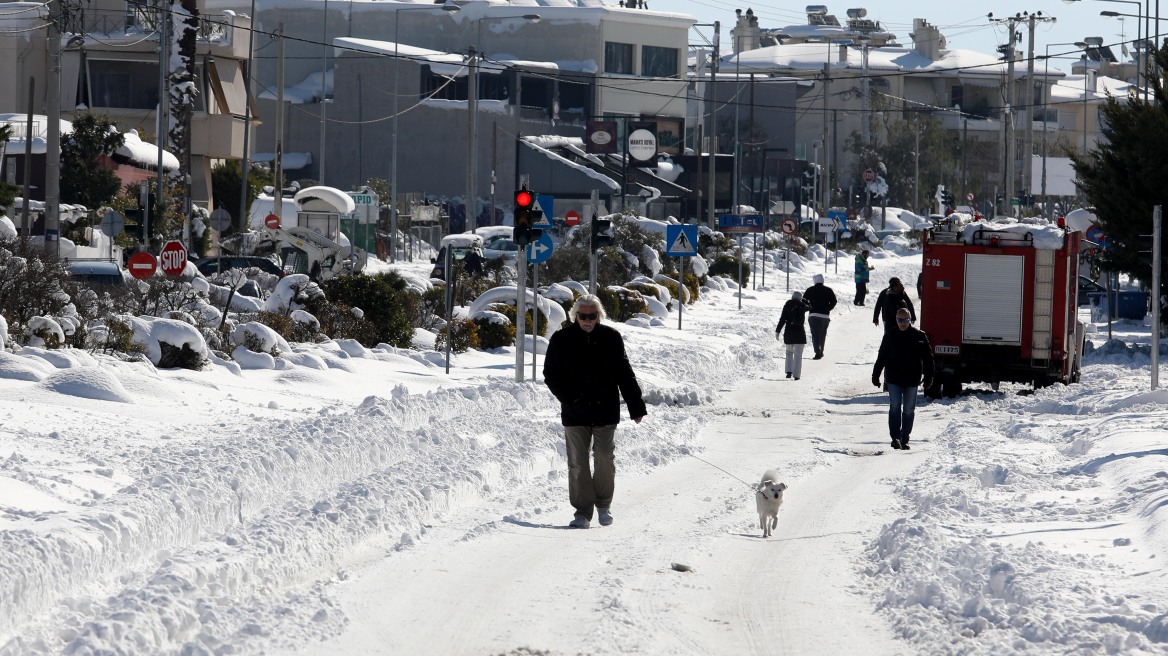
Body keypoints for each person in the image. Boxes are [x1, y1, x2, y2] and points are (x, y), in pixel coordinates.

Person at [543, 294, 647, 529]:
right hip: (574, 412)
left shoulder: (611, 338)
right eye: (583, 316)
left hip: (605, 410)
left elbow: (624, 373)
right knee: (578, 462)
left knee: (603, 457)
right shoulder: (561, 340)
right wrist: (571, 399)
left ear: (598, 316)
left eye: (592, 316)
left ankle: (603, 505)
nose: (588, 320)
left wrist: (636, 406)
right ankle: (582, 511)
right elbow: (551, 375)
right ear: (575, 316)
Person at [872, 308, 935, 450]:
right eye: (900, 320)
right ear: (896, 320)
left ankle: (905, 438)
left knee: (908, 409)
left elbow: (928, 358)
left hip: (912, 380)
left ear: (910, 320)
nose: (903, 323)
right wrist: (876, 375)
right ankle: (895, 438)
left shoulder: (919, 336)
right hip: (893, 378)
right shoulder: (890, 336)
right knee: (894, 406)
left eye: (906, 320)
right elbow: (881, 356)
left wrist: (929, 376)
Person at [775, 291, 811, 380]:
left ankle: (788, 372)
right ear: (800, 298)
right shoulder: (803, 306)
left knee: (789, 353)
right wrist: (805, 301)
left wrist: (778, 331)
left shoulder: (787, 305)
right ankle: (797, 375)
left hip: (789, 332)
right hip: (800, 333)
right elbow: (811, 307)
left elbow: (782, 319)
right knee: (798, 355)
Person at [802, 273, 836, 360]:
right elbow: (834, 301)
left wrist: (809, 306)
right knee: (822, 333)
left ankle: (817, 352)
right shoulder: (828, 290)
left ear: (815, 281)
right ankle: (821, 351)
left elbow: (803, 300)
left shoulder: (810, 289)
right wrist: (828, 308)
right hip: (824, 315)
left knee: (815, 334)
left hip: (813, 314)